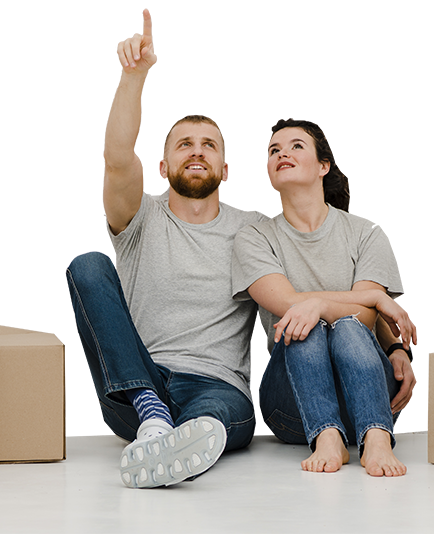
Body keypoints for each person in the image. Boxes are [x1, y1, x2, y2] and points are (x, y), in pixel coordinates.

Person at [67, 10, 266, 489]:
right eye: (184, 145)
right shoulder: (141, 220)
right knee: (88, 266)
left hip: (218, 386)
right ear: (161, 169)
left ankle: (182, 440)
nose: (196, 151)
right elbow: (117, 161)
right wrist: (134, 77)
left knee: (216, 415)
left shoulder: (254, 231)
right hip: (139, 381)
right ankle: (153, 417)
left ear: (224, 172)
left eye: (208, 146)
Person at [232, 119, 418, 477]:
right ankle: (326, 435)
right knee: (305, 325)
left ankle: (377, 438)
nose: (282, 153)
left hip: (365, 396)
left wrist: (396, 347)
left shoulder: (365, 232)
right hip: (292, 407)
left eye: (296, 146)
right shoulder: (254, 238)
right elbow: (287, 303)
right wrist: (369, 299)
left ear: (323, 166)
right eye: (273, 150)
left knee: (346, 325)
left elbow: (364, 320)